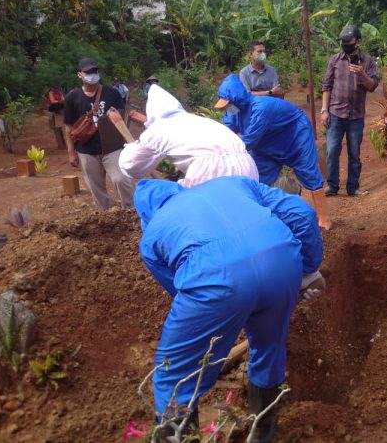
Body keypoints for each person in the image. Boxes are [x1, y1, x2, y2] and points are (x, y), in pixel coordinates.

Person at [134, 176, 325, 442]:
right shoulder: (233, 183)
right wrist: (308, 267)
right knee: (269, 349)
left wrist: (226, 310)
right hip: (281, 260)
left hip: (214, 279)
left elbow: (179, 289)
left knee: (173, 375)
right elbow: (301, 212)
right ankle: (262, 434)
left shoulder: (152, 234)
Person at [216, 74, 332, 229]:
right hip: (267, 141)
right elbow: (225, 130)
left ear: (237, 99)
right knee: (259, 175)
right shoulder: (235, 111)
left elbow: (248, 141)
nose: (227, 107)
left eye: (228, 103)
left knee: (307, 171)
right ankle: (271, 216)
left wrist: (225, 154)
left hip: (294, 134)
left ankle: (323, 218)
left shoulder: (260, 108)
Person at [118, 84, 258, 187]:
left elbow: (131, 166)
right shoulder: (198, 121)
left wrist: (130, 148)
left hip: (213, 173)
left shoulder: (160, 128)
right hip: (249, 167)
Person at [63, 58, 133, 210]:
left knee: (121, 180)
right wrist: (71, 153)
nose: (92, 75)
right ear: (79, 75)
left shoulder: (112, 94)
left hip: (112, 148)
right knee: (96, 188)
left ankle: (131, 212)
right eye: (88, 72)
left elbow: (121, 120)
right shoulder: (72, 97)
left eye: (94, 71)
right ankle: (105, 215)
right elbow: (68, 127)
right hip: (86, 151)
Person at [320, 25, 379, 195]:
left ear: (358, 42)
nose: (345, 44)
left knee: (354, 153)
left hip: (356, 115)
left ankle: (353, 187)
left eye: (349, 41)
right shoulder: (335, 60)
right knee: (332, 150)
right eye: (343, 42)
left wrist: (362, 74)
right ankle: (332, 185)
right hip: (335, 113)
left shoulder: (368, 62)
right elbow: (327, 85)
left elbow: (372, 86)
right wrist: (324, 110)